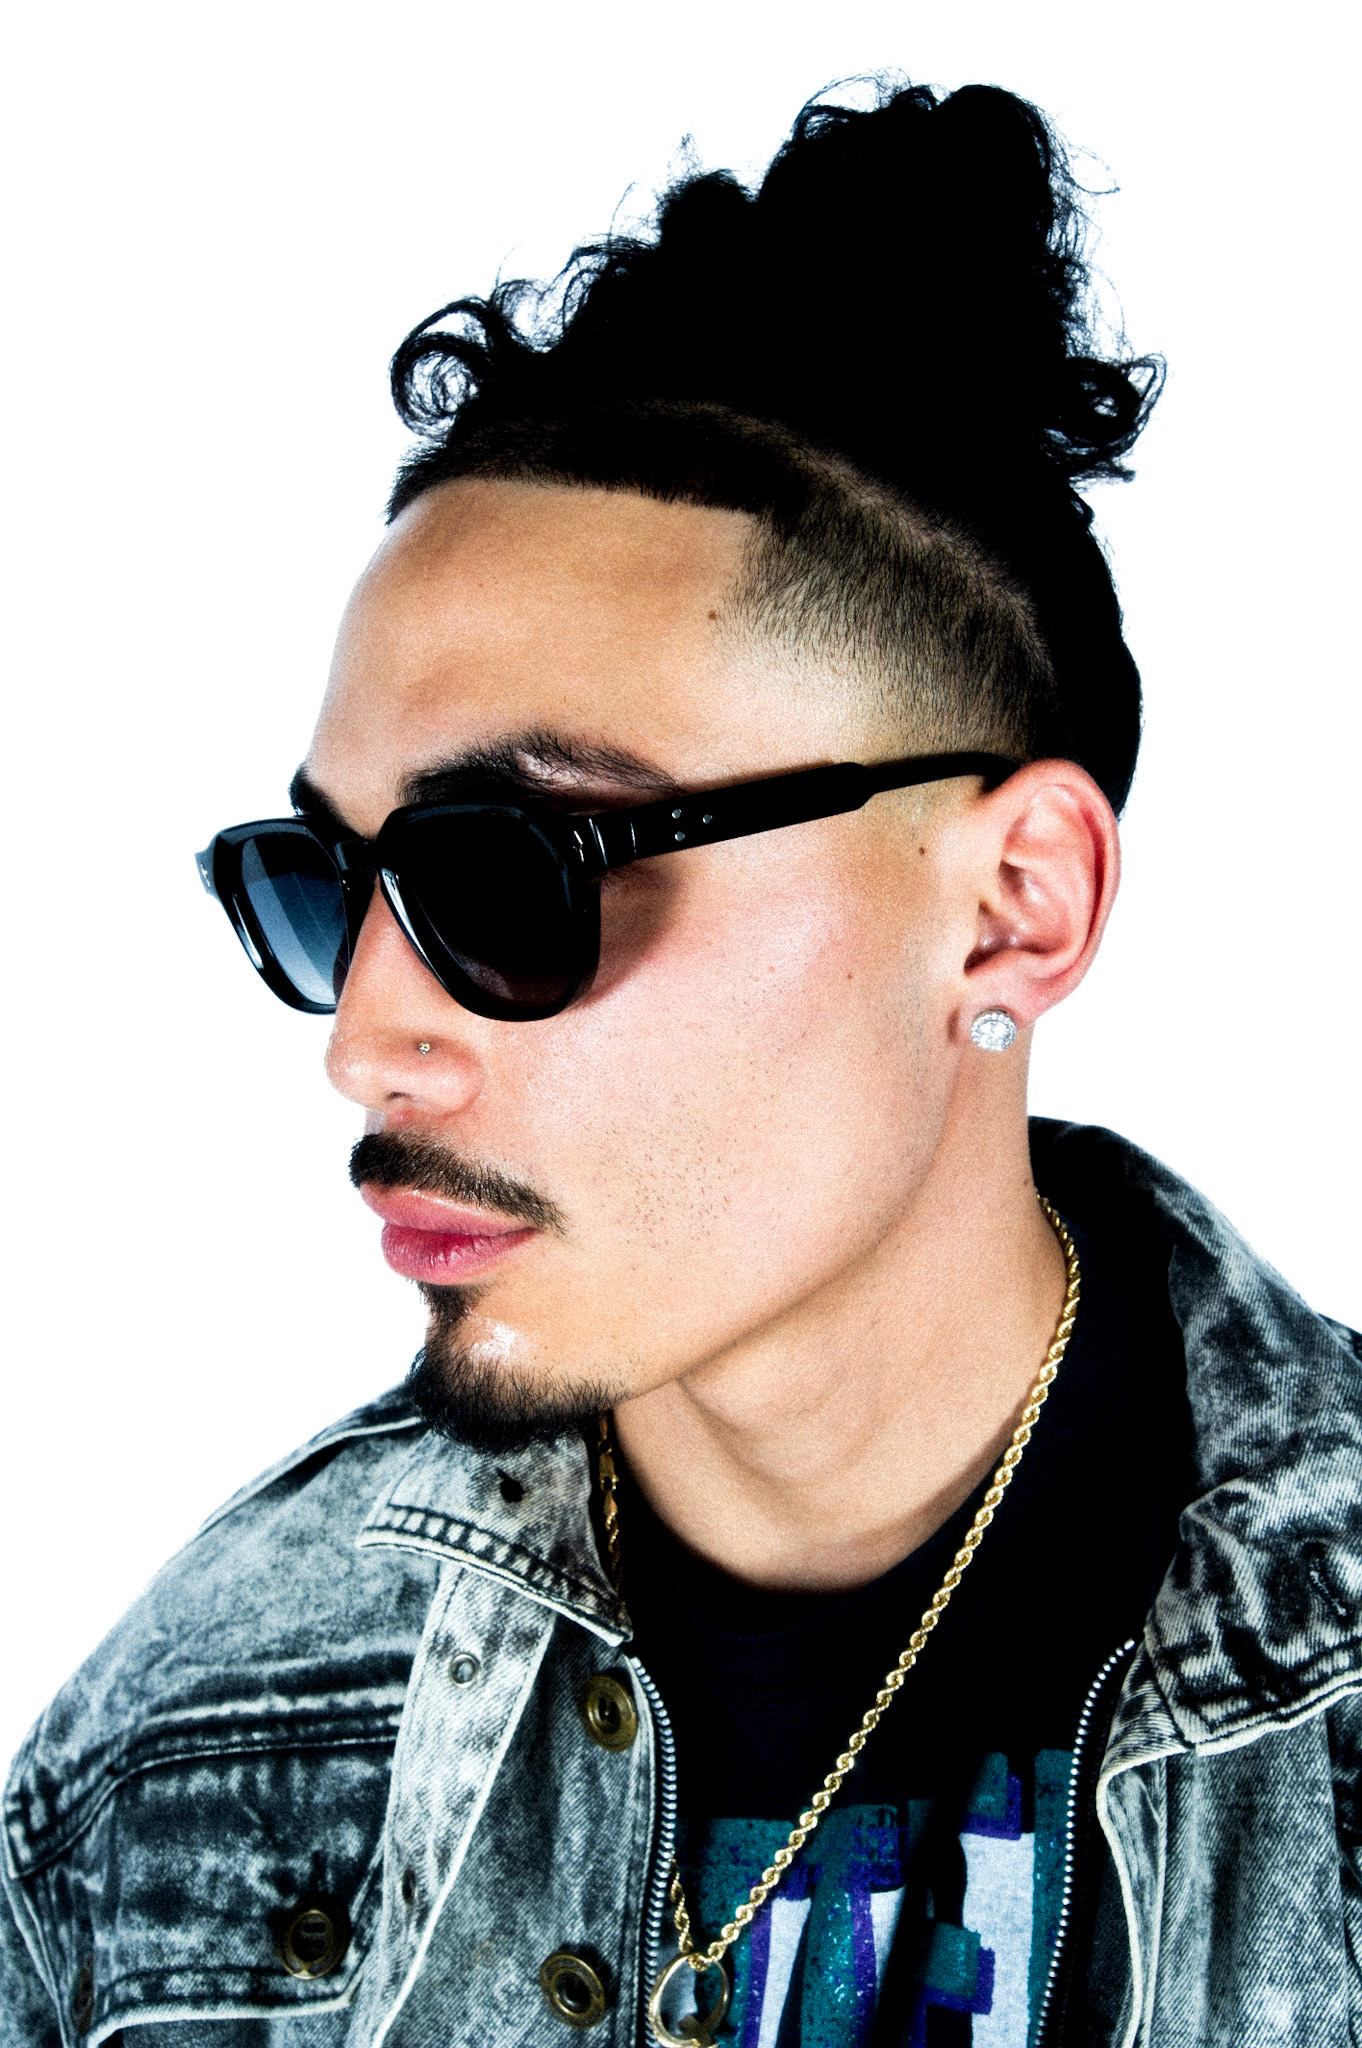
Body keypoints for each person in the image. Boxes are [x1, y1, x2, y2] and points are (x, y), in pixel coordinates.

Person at [2, 73, 1358, 2048]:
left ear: (1010, 910)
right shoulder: (198, 1761)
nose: (369, 1044)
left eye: (508, 879)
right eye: (326, 884)